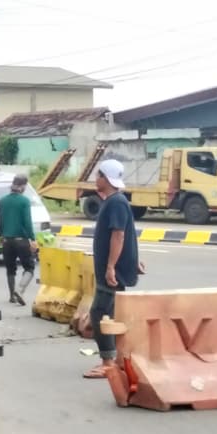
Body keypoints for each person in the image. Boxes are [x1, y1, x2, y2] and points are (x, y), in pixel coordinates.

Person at [83, 159, 143, 380]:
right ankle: (118, 358)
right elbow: (127, 233)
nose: (95, 179)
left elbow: (119, 235)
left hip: (111, 272)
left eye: (98, 175)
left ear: (106, 178)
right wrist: (134, 260)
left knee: (100, 313)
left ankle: (108, 361)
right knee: (114, 314)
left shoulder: (116, 203)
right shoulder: (115, 201)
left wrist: (110, 267)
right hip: (116, 268)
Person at [0, 174, 37, 305]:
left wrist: (1, 236)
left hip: (7, 241)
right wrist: (33, 239)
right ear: (23, 186)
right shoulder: (24, 201)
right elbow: (27, 222)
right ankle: (20, 290)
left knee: (10, 269)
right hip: (21, 240)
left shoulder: (2, 201)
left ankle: (11, 296)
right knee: (29, 267)